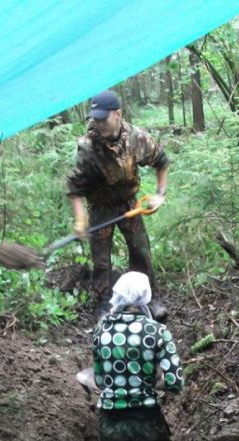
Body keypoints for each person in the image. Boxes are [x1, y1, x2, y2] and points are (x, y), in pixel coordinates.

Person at [67, 90, 169, 321]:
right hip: (100, 208)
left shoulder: (137, 139)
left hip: (129, 204)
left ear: (118, 114)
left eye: (103, 118)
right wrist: (81, 220)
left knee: (140, 250)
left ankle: (148, 298)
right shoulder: (88, 148)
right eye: (95, 118)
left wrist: (160, 194)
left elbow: (161, 162)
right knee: (101, 260)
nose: (99, 123)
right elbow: (74, 190)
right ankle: (104, 304)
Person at [92, 271, 183, 441]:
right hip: (147, 421)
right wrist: (156, 381)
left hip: (110, 423)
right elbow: (175, 383)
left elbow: (100, 380)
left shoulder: (100, 331)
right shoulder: (158, 331)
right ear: (146, 296)